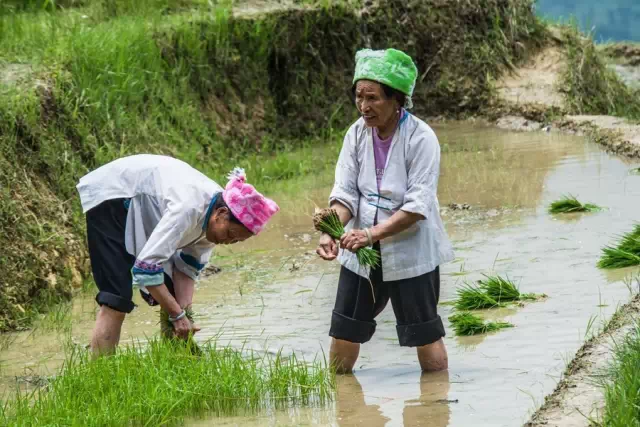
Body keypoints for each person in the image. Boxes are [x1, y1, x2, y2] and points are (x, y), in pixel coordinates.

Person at [316, 48, 454, 373]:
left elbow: (417, 207)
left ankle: (433, 407)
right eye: (359, 97)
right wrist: (330, 232)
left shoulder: (421, 139)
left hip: (410, 249)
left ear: (397, 100)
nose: (364, 106)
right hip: (360, 249)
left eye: (374, 98)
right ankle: (342, 404)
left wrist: (371, 234)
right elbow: (346, 194)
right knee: (345, 327)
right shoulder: (355, 134)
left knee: (424, 331)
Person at [76, 154, 279, 356]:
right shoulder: (189, 207)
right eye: (230, 234)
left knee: (170, 292)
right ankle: (101, 373)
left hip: (144, 203)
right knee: (117, 297)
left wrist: (184, 314)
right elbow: (145, 270)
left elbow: (186, 268)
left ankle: (176, 357)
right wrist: (177, 315)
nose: (228, 242)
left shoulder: (214, 219)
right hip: (113, 195)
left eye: (236, 241)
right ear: (222, 213)